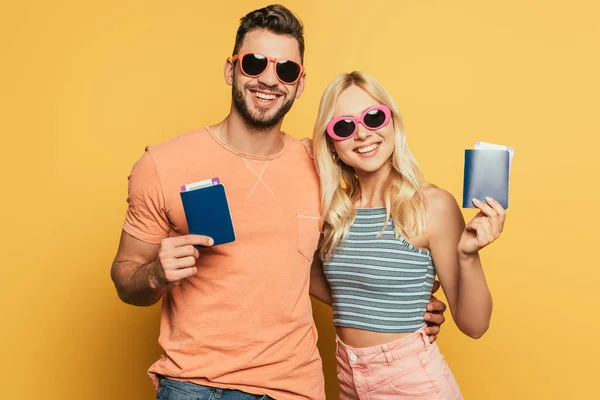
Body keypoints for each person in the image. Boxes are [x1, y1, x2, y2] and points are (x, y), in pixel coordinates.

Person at [110, 5, 447, 400]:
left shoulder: (323, 166)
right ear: (230, 69)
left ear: (300, 84)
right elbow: (125, 274)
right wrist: (154, 275)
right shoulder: (163, 164)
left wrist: (396, 309)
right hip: (197, 386)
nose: (269, 79)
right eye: (254, 63)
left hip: (295, 388)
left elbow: (319, 266)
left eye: (285, 70)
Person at [310, 71, 506, 399]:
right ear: (331, 142)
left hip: (410, 381)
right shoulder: (333, 212)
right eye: (344, 126)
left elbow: (475, 325)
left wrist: (468, 256)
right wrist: (390, 305)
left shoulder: (432, 206)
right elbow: (307, 275)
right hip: (349, 379)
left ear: (392, 123)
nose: (362, 134)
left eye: (373, 117)